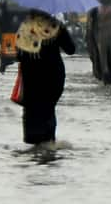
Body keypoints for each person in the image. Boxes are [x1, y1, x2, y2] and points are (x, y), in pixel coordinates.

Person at [15, 11, 76, 145]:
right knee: (48, 110)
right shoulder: (56, 26)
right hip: (53, 78)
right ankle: (49, 143)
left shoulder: (26, 26)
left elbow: (18, 55)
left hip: (31, 79)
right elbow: (71, 49)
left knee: (33, 112)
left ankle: (34, 145)